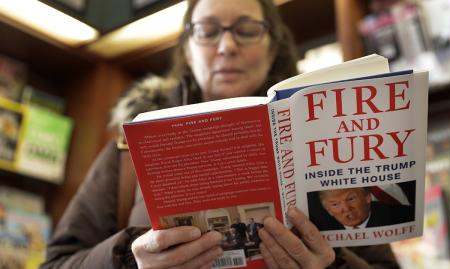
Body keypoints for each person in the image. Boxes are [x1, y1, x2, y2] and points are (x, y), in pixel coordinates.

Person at [41, 0, 401, 268]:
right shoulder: (128, 150)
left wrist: (332, 264)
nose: (227, 47)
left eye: (246, 30)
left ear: (272, 46)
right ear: (187, 48)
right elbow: (57, 263)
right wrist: (129, 257)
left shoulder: (329, 138)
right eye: (208, 31)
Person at [312, 187, 415, 231]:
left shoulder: (402, 216)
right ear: (328, 210)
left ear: (367, 197)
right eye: (335, 204)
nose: (346, 209)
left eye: (351, 199)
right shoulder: (321, 229)